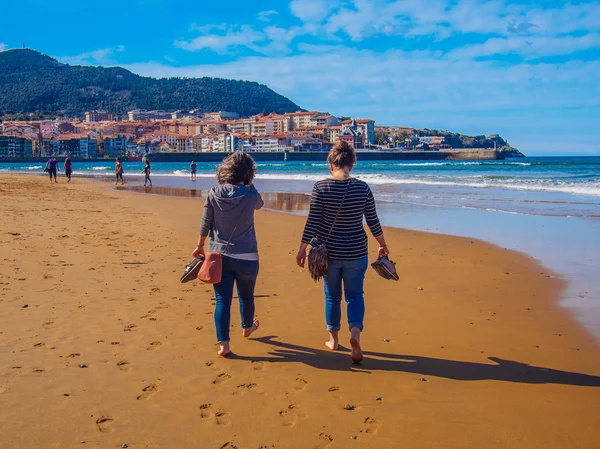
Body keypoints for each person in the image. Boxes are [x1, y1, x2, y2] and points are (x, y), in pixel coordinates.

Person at [296, 141, 389, 363]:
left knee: (332, 296)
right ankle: (355, 334)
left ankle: (333, 340)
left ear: (331, 164)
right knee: (355, 295)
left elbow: (313, 221)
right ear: (351, 164)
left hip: (329, 253)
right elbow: (372, 220)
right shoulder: (362, 187)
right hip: (356, 251)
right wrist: (382, 244)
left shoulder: (321, 187)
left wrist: (302, 248)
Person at [192, 152, 264, 357]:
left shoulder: (214, 193)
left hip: (219, 256)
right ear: (248, 173)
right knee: (246, 296)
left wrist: (199, 246)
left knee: (223, 300)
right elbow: (260, 204)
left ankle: (224, 345)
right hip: (248, 256)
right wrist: (250, 183)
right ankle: (248, 326)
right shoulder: (250, 194)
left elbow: (206, 222)